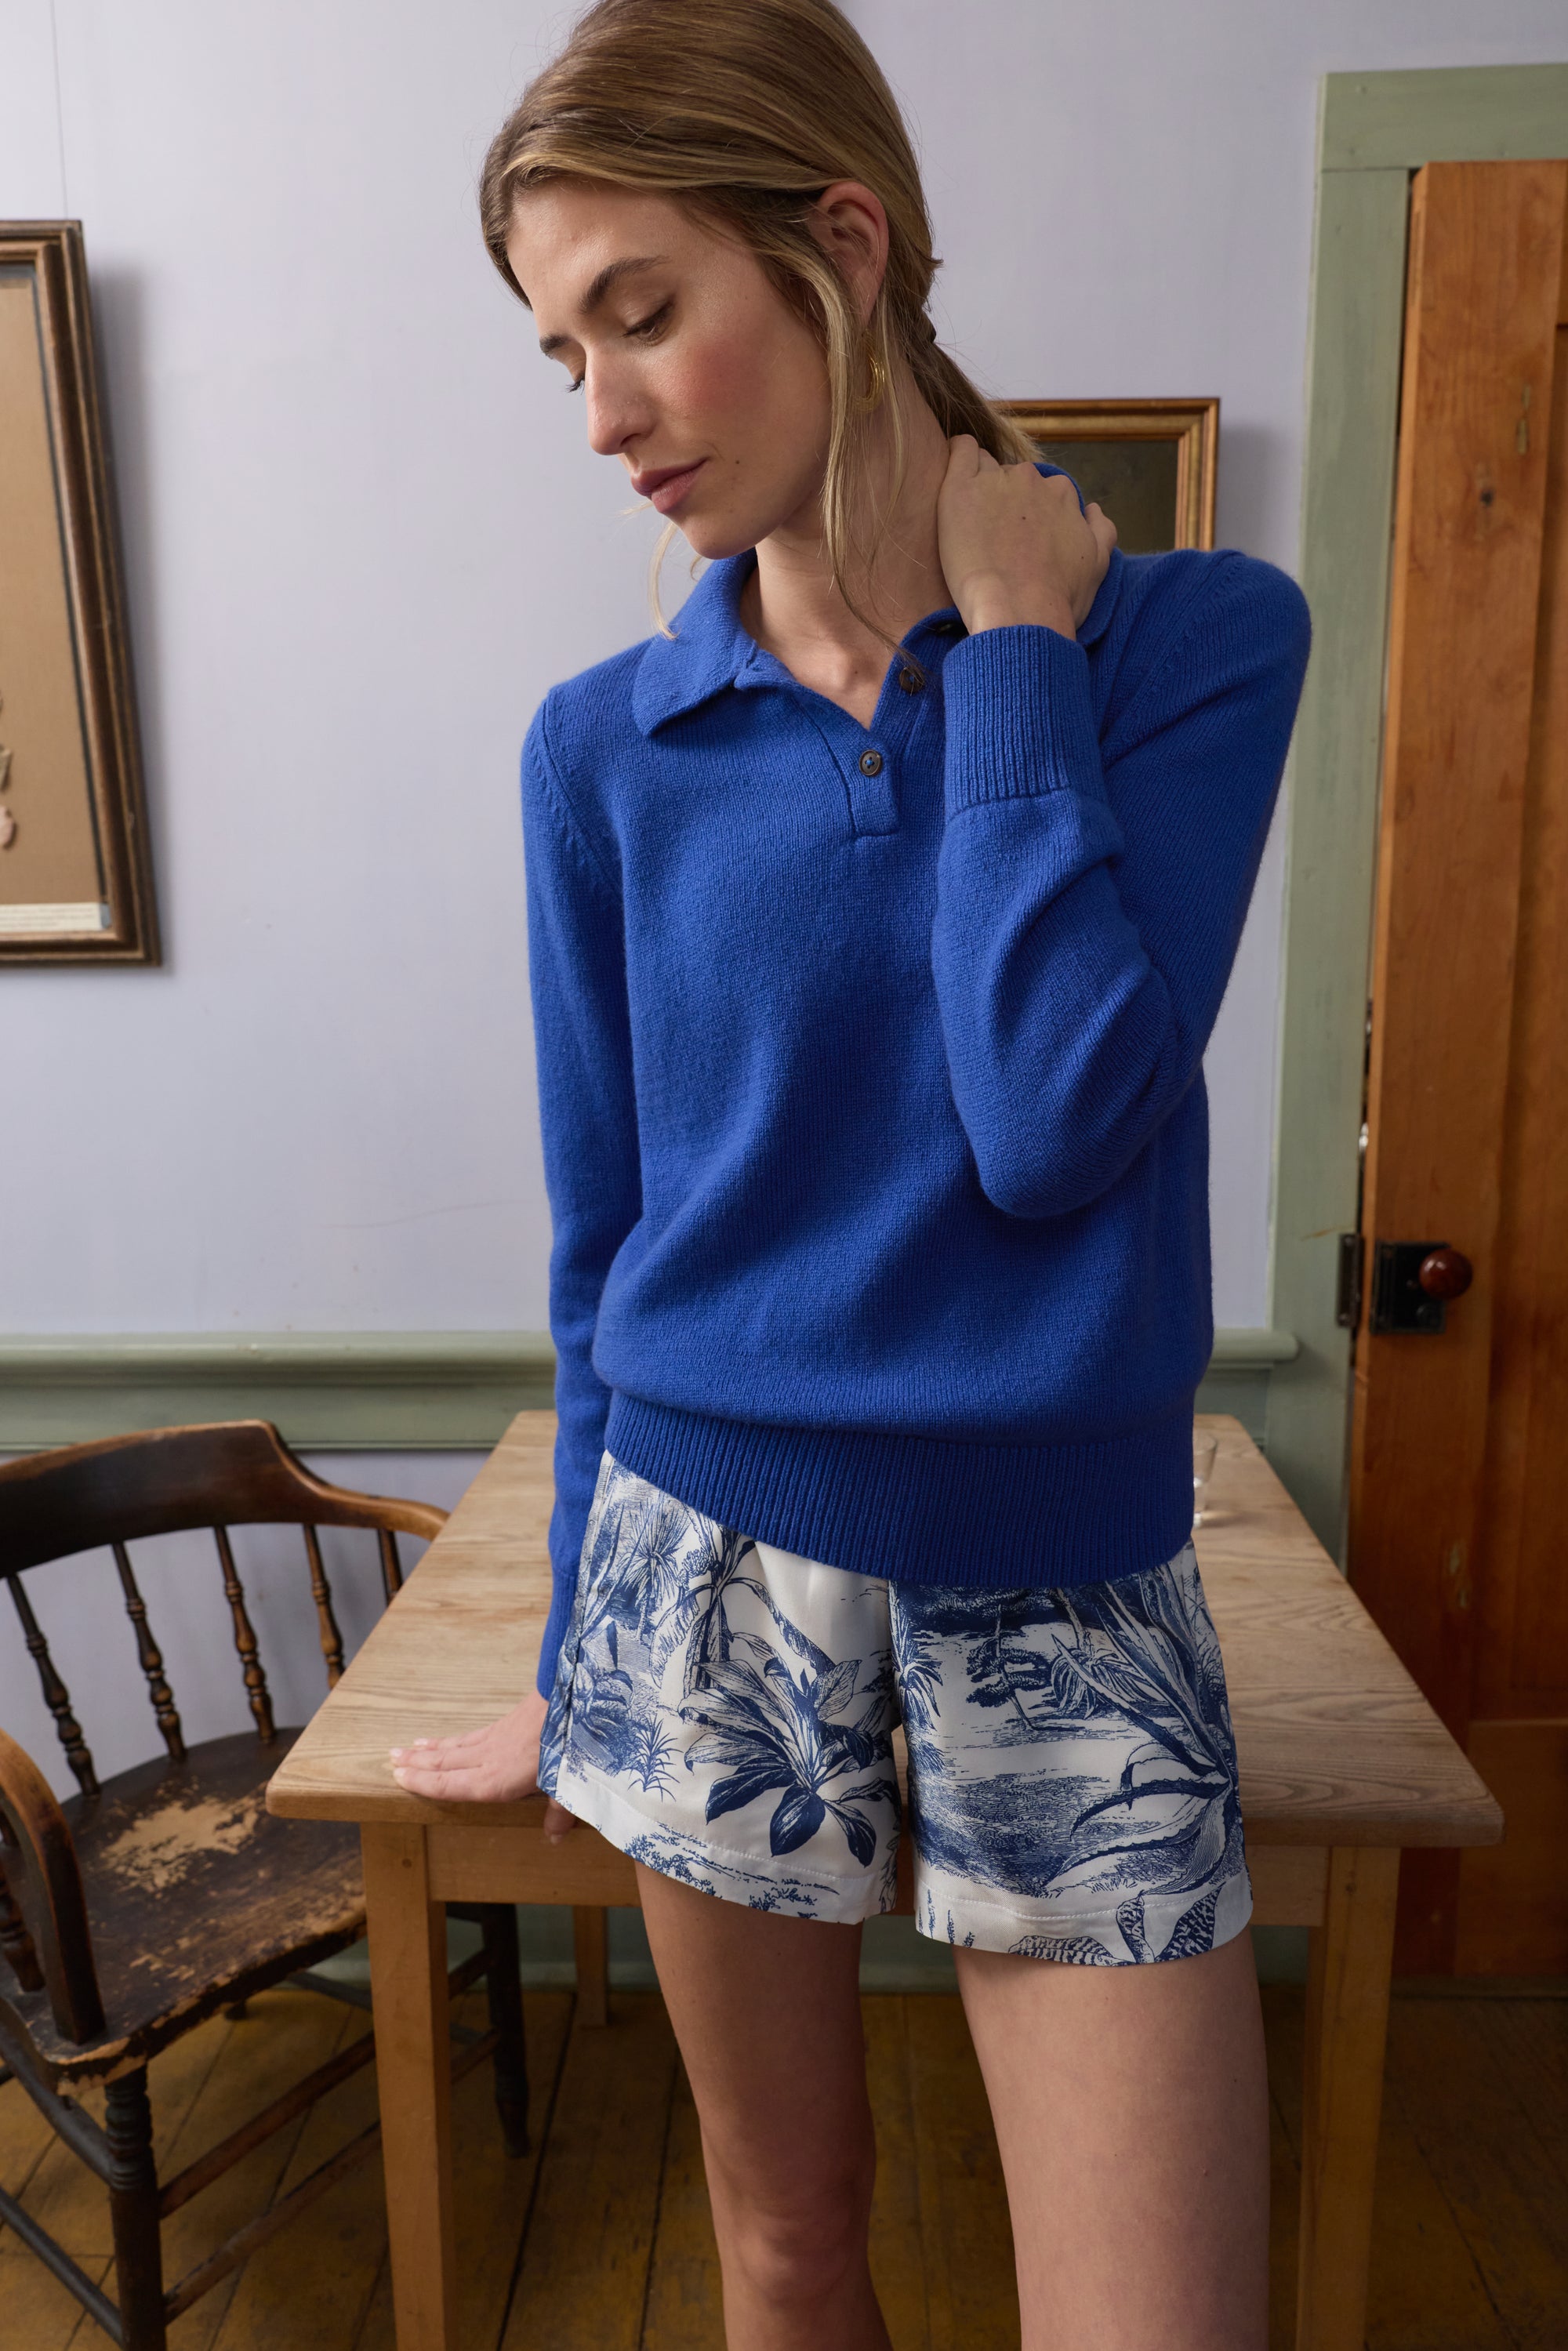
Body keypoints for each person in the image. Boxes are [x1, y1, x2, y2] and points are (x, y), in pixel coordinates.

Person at [390, 4, 1310, 2344]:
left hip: (1071, 1586)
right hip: (698, 1580)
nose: (600, 417)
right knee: (791, 2250)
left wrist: (1009, 652)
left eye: (641, 313)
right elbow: (608, 1250)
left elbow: (1057, 1120)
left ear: (842, 248)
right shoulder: (603, 750)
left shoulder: (1187, 646)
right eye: (554, 354)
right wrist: (578, 1664)